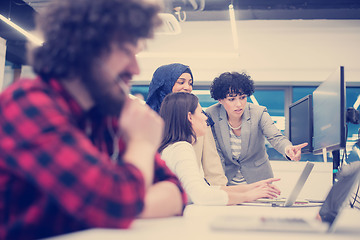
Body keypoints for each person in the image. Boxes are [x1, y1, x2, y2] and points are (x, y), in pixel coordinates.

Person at [0, 0, 187, 239]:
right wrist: (141, 142)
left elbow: (175, 192)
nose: (136, 68)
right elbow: (116, 204)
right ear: (84, 50)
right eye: (127, 52)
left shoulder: (106, 116)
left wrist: (116, 207)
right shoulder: (26, 104)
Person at [159, 92, 281, 205]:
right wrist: (248, 195)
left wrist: (251, 187)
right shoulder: (182, 149)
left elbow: (203, 189)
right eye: (201, 112)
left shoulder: (175, 148)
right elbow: (201, 196)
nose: (205, 118)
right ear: (190, 117)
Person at [206, 72, 308, 185]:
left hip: (259, 180)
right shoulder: (212, 114)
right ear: (220, 100)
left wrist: (288, 148)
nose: (239, 104)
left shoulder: (258, 113)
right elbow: (214, 152)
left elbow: (275, 137)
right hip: (227, 181)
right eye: (232, 99)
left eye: (242, 97)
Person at [146, 63, 228, 186]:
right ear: (165, 84)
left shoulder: (201, 119)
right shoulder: (147, 121)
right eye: (181, 82)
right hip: (155, 192)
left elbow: (213, 169)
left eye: (190, 83)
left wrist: (224, 194)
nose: (187, 87)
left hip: (190, 194)